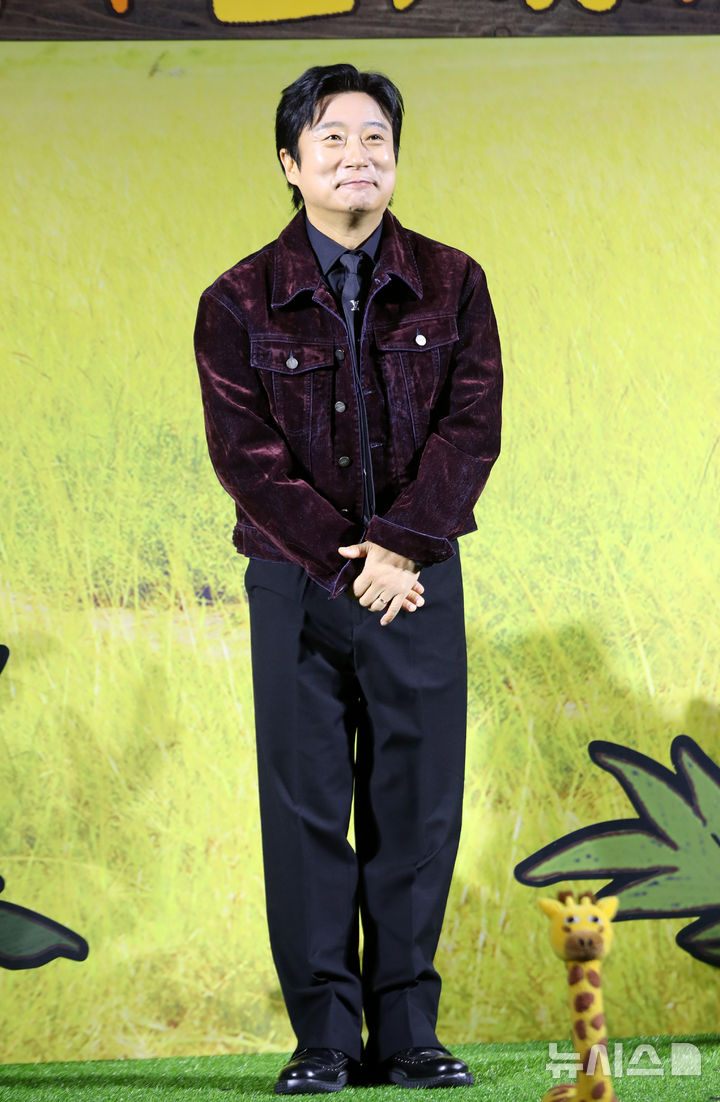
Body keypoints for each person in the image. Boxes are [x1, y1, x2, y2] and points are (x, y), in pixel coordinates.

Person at [194, 63, 502, 1094]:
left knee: (417, 812)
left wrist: (402, 547)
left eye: (376, 138)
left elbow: (472, 426)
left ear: (397, 158)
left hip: (417, 583)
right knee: (306, 812)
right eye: (331, 138)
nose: (357, 156)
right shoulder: (235, 298)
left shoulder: (456, 282)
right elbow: (244, 455)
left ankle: (408, 1034)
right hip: (296, 586)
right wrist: (351, 558)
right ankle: (322, 1039)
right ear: (290, 163)